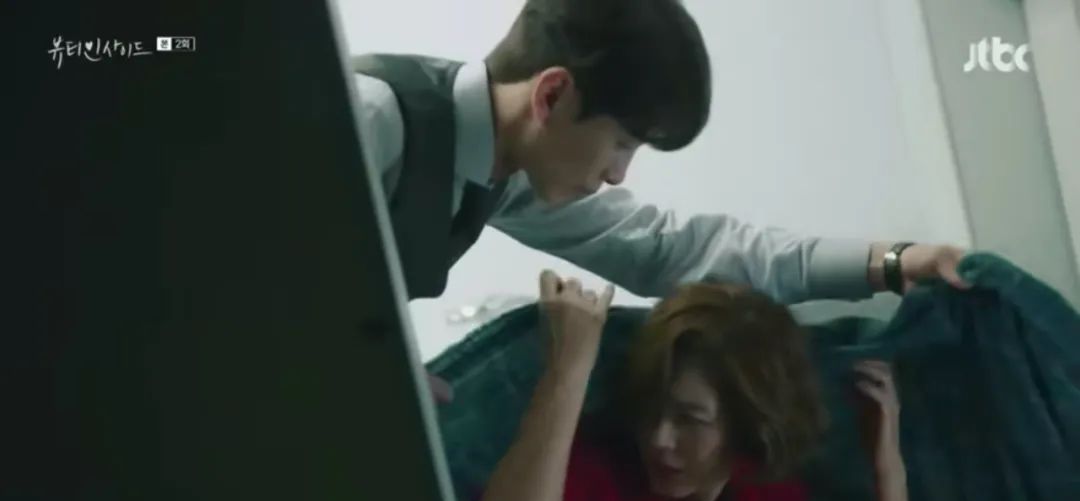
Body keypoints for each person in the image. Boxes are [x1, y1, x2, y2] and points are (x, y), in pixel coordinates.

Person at [351, 0, 972, 311]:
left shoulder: (508, 174)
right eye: (623, 142)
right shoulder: (371, 117)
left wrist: (890, 263)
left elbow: (669, 249)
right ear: (553, 94)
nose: (617, 174)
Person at [471, 270, 918, 501]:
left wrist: (890, 473)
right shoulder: (596, 476)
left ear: (747, 424)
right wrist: (568, 369)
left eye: (689, 419)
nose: (659, 438)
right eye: (651, 406)